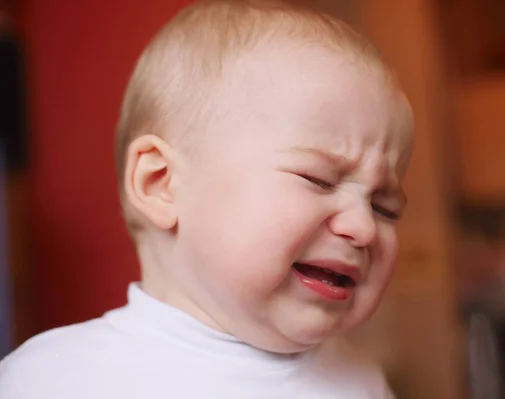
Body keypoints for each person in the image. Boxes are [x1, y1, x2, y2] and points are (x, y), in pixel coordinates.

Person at [0, 0, 414, 397]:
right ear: (161, 183)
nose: (363, 227)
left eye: (384, 207)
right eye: (319, 179)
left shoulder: (361, 381)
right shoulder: (51, 381)